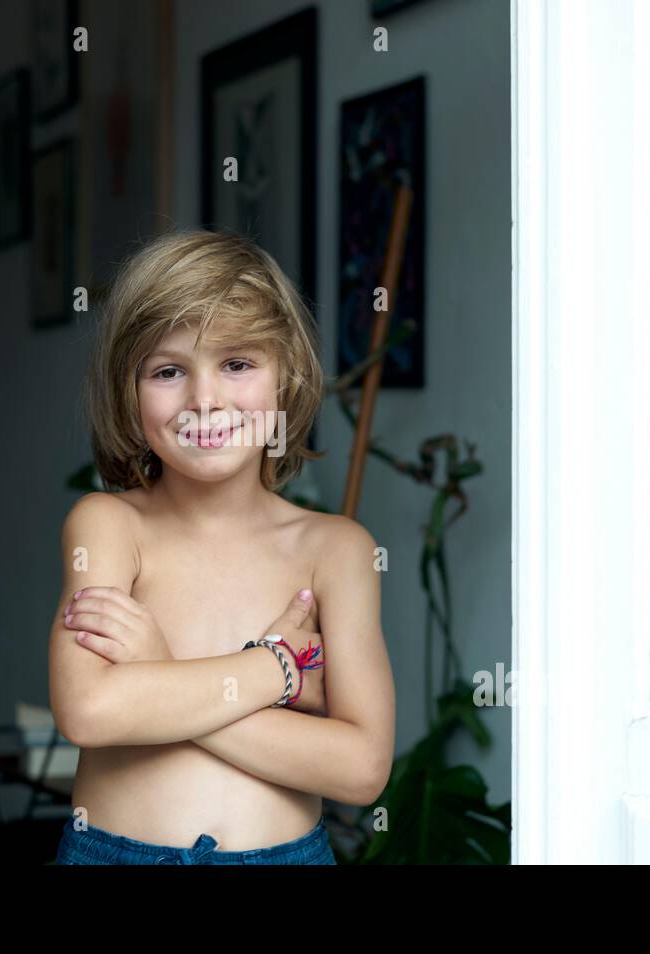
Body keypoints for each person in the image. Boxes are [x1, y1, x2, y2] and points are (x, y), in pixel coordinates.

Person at [49, 229, 395, 864]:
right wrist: (279, 672)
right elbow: (90, 711)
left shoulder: (336, 549)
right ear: (129, 393)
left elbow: (361, 769)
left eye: (237, 364)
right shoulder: (108, 526)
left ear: (285, 377)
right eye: (168, 370)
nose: (204, 400)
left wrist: (156, 675)